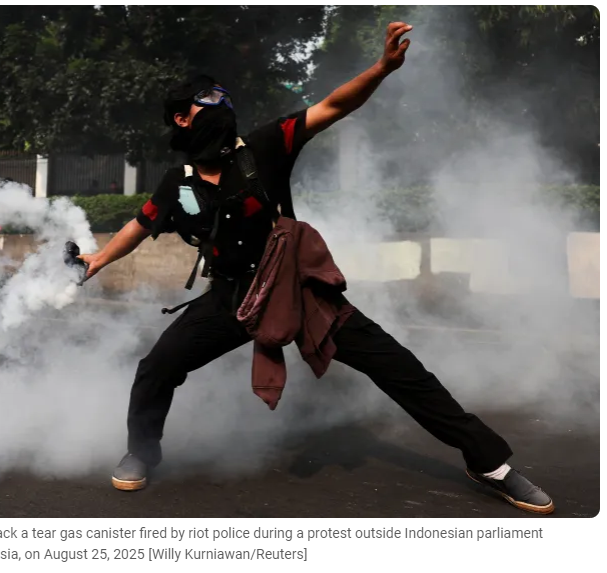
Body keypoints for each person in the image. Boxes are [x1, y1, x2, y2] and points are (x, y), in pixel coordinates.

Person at [75, 22, 554, 514]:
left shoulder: (265, 147)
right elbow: (140, 225)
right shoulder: (177, 183)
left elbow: (334, 105)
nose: (222, 104)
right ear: (182, 118)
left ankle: (489, 463)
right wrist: (98, 258)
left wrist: (381, 69)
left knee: (401, 369)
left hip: (300, 294)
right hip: (231, 299)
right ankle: (141, 452)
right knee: (157, 367)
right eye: (208, 99)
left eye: (225, 97)